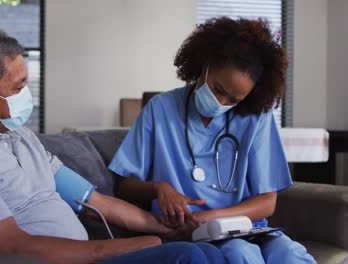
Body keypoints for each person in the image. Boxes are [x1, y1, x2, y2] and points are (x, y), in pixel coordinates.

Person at [0, 26, 226, 264]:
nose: (28, 93)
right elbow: (12, 244)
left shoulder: (20, 137)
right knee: (190, 258)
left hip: (89, 255)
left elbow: (95, 202)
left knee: (206, 252)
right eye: (19, 86)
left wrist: (163, 229)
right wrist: (125, 246)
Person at [108, 17, 316, 264]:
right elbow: (124, 185)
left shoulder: (256, 117)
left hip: (245, 228)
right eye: (218, 89)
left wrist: (211, 217)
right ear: (206, 63)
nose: (222, 103)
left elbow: (267, 202)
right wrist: (159, 188)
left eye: (234, 100)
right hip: (194, 237)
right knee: (241, 254)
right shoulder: (160, 110)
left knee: (290, 254)